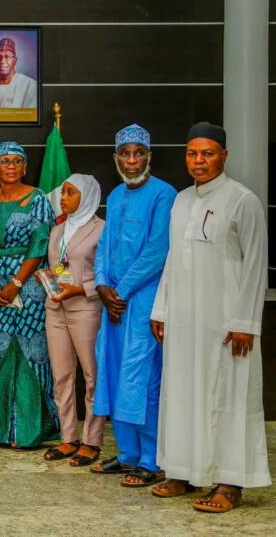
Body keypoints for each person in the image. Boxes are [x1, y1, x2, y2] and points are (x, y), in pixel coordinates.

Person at [149, 122, 270, 512]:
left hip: (226, 323)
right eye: (192, 153)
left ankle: (230, 483)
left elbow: (256, 265)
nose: (198, 161)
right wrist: (161, 309)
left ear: (224, 155)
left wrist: (245, 323)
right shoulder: (182, 200)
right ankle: (182, 471)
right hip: (185, 320)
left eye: (207, 153)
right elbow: (173, 259)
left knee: (228, 397)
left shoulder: (242, 200)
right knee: (183, 393)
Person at [89, 124, 176, 486]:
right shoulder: (115, 194)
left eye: (138, 153)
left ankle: (152, 460)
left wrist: (119, 292)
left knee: (141, 380)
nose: (131, 160)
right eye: (124, 154)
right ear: (116, 158)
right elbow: (104, 246)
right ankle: (127, 455)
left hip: (141, 305)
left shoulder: (164, 194)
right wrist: (100, 285)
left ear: (148, 157)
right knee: (113, 374)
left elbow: (157, 251)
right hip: (112, 305)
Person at [0, 141, 57, 448]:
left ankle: (28, 431)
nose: (10, 166)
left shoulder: (38, 199)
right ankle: (0, 430)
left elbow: (40, 243)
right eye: (4, 161)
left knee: (29, 352)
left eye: (16, 161)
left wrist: (17, 283)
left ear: (25, 167)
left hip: (29, 286)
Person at [41, 174, 105, 466]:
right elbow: (59, 266)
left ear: (87, 196)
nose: (63, 197)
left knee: (92, 377)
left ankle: (92, 441)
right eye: (62, 192)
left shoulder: (101, 229)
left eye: (70, 192)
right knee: (62, 376)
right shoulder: (58, 230)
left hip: (86, 309)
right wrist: (50, 278)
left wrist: (80, 289)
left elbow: (107, 273)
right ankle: (69, 437)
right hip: (56, 309)